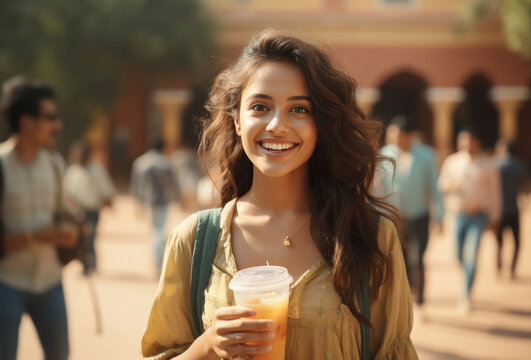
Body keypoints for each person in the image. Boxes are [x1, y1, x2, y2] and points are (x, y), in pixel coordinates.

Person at [141, 30, 417, 359]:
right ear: (238, 121)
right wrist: (208, 346)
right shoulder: (195, 242)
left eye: (299, 109)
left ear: (320, 124)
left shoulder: (370, 237)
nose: (277, 125)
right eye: (260, 106)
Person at [0, 76, 78, 359]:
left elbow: (63, 215)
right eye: (49, 117)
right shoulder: (1, 166)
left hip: (49, 281)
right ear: (25, 121)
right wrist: (36, 236)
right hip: (6, 282)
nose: (56, 125)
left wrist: (72, 229)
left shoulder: (54, 165)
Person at [381, 115, 444, 306]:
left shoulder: (426, 155)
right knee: (401, 259)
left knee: (418, 259)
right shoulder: (385, 154)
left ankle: (421, 297)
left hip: (420, 216)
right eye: (391, 136)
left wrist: (439, 216)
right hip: (396, 218)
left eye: (397, 135)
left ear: (409, 136)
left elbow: (434, 186)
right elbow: (381, 186)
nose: (393, 139)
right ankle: (408, 293)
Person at [439, 128, 501, 312]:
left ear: (477, 143)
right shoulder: (452, 162)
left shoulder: (488, 164)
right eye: (463, 141)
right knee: (458, 254)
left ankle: (465, 294)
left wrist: (496, 217)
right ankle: (466, 273)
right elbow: (441, 183)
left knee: (471, 255)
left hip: (478, 215)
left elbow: (495, 192)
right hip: (458, 214)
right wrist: (450, 186)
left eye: (470, 141)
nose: (466, 145)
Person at [64, 139, 115, 275]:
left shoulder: (96, 170)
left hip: (92, 210)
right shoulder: (73, 171)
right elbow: (67, 191)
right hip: (76, 211)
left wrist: (109, 201)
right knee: (81, 239)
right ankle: (85, 263)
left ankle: (91, 264)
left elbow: (106, 187)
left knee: (90, 237)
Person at [130, 139, 180, 274]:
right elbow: (173, 183)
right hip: (163, 201)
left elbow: (136, 185)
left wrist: (137, 202)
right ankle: (159, 260)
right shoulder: (166, 163)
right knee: (159, 230)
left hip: (148, 201)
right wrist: (177, 198)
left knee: (154, 230)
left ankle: (157, 259)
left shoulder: (141, 162)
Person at [494, 139, 527, 279]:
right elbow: (524, 185)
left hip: (500, 209)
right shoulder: (519, 165)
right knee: (517, 242)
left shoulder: (495, 165)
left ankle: (499, 266)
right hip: (514, 208)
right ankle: (512, 269)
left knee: (499, 242)